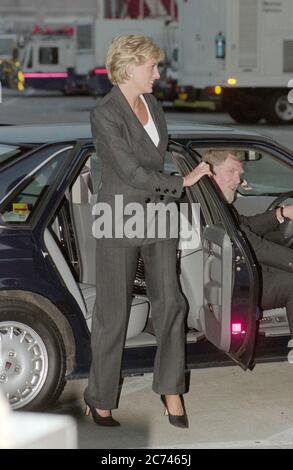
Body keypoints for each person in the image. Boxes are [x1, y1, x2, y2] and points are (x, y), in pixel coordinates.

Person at [84, 35, 211, 428]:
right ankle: (100, 398)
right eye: (152, 66)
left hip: (158, 216)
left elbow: (153, 157)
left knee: (171, 305)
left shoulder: (153, 104)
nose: (158, 73)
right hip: (120, 217)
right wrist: (182, 183)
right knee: (113, 314)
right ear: (129, 66)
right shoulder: (105, 112)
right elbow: (129, 170)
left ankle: (171, 389)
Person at [202, 148, 293, 337]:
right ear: (210, 172)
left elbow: (246, 225)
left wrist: (281, 213)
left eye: (239, 174)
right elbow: (255, 246)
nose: (239, 180)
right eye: (231, 172)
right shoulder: (212, 208)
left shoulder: (213, 201)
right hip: (234, 280)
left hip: (236, 270)